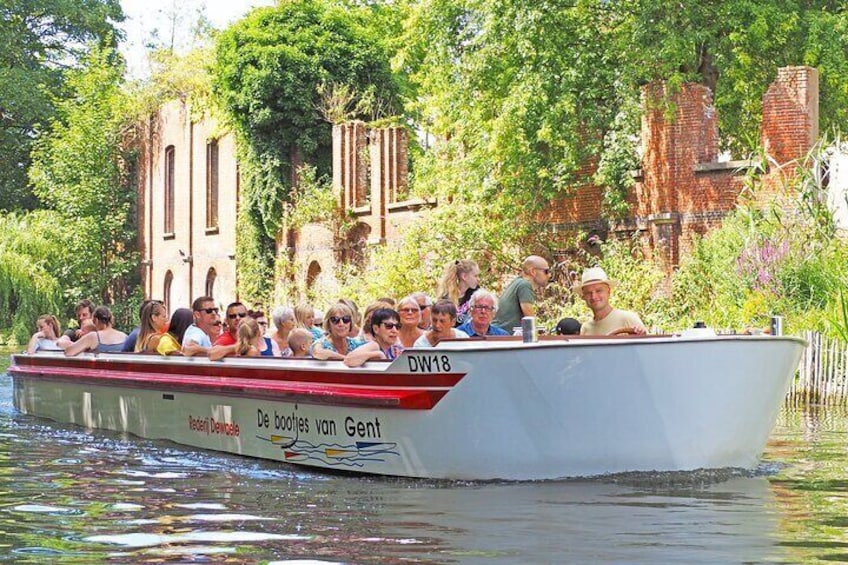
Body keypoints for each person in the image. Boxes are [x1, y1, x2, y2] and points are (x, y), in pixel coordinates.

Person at [576, 267, 646, 336]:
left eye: (598, 291)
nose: (593, 296)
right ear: (583, 297)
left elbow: (647, 345)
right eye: (588, 293)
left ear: (608, 291)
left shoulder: (627, 318)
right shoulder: (586, 328)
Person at [493, 255, 551, 332]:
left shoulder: (518, 282)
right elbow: (530, 318)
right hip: (504, 336)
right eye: (546, 271)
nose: (549, 275)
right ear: (533, 271)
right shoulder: (524, 285)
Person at [437, 259, 480, 326]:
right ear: (464, 277)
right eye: (475, 276)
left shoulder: (476, 292)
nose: (478, 279)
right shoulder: (446, 299)